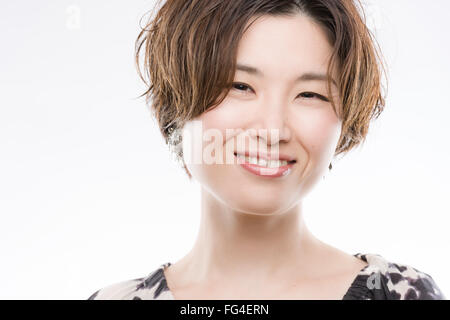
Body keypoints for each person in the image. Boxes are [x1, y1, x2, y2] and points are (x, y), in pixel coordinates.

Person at [87, 0, 445, 300]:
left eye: (310, 95)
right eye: (240, 86)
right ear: (177, 99)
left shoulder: (400, 293)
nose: (273, 130)